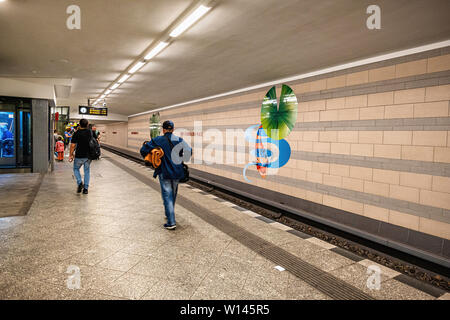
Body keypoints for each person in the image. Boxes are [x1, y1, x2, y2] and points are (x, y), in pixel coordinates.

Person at [140, 120, 191, 230]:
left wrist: (152, 153)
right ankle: (169, 213)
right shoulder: (179, 140)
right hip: (177, 172)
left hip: (164, 171)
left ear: (163, 130)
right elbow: (189, 151)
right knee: (172, 194)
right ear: (173, 129)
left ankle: (171, 221)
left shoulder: (157, 140)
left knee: (167, 195)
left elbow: (143, 150)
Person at [69, 119, 92, 194]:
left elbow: (72, 145)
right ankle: (85, 189)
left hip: (79, 155)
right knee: (87, 171)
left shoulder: (76, 133)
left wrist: (71, 155)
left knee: (76, 169)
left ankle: (79, 182)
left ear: (79, 124)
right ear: (87, 124)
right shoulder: (90, 132)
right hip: (88, 155)